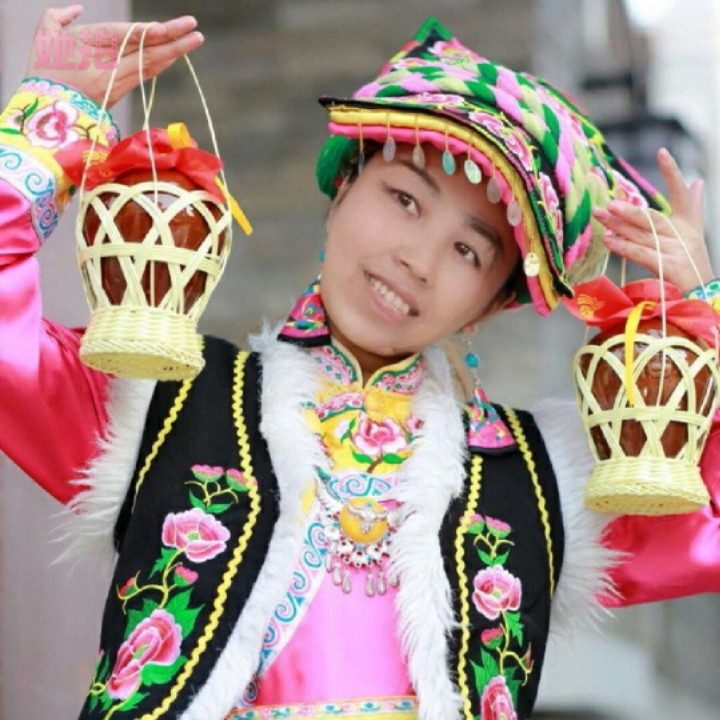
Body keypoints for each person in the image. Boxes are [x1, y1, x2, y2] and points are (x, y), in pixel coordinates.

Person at [0, 6, 718, 720]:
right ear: (343, 186)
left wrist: (700, 311)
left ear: (490, 304)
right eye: (404, 199)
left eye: (468, 251)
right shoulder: (163, 403)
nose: (418, 259)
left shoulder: (542, 481)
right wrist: (50, 121)